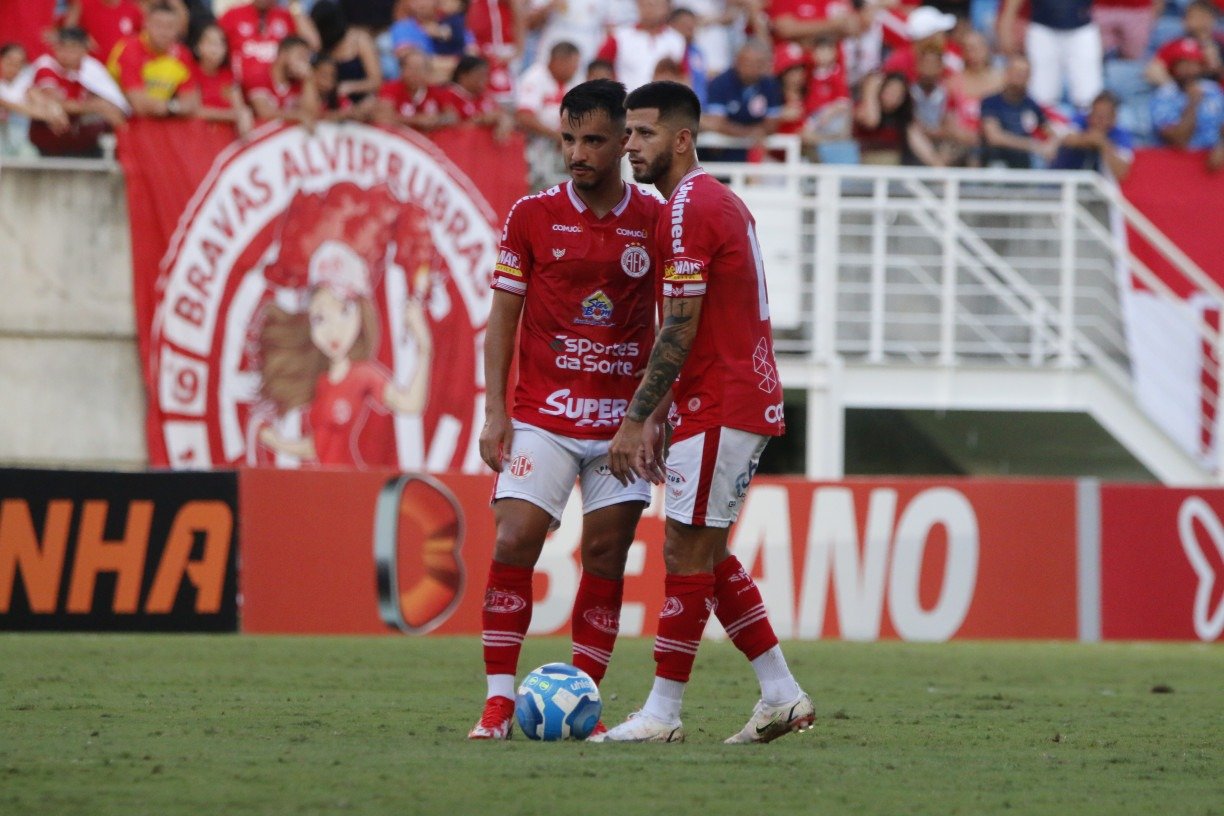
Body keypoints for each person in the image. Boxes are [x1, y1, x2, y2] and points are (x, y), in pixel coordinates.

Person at [598, 80, 812, 745]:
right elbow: (688, 320)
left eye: (644, 133)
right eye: (628, 133)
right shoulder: (699, 204)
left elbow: (680, 326)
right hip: (720, 396)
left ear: (682, 139)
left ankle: (662, 713)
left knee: (688, 553)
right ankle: (781, 694)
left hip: (723, 397)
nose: (630, 145)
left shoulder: (691, 208)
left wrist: (637, 418)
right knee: (704, 549)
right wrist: (664, 410)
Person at [468, 79, 663, 740]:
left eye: (594, 140)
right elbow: (502, 320)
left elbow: (676, 322)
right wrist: (495, 412)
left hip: (621, 422)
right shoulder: (530, 215)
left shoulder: (657, 218)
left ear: (622, 142)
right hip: (543, 415)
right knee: (515, 536)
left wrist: (655, 413)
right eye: (569, 139)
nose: (578, 153)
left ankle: (583, 698)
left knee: (606, 555)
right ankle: (498, 702)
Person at [29, 26, 127, 157]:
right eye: (62, 47)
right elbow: (53, 100)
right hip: (51, 145)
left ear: (84, 50)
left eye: (73, 48)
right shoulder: (47, 65)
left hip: (86, 143)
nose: (66, 53)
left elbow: (117, 105)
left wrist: (102, 108)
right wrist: (94, 106)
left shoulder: (92, 69)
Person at [998, 0, 1103, 110]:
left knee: (1088, 94)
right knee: (1041, 94)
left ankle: (1089, 125)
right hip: (1043, 30)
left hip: (1081, 29)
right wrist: (1006, 27)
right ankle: (1042, 124)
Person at [107, 2, 201, 118]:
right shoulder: (128, 49)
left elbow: (192, 103)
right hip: (120, 118)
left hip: (159, 120)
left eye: (170, 26)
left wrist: (168, 107)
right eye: (158, 25)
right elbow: (139, 105)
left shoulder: (182, 55)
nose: (164, 32)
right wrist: (175, 107)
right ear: (146, 24)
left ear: (178, 30)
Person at [1150, 38, 1224, 169]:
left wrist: (1221, 146)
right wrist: (1192, 103)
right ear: (1173, 68)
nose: (1189, 70)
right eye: (1183, 64)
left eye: (1194, 64)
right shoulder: (1164, 96)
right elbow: (1179, 140)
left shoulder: (1213, 91)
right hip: (1177, 166)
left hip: (1213, 166)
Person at [702, 40, 783, 160]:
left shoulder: (770, 85)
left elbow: (772, 124)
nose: (752, 67)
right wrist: (749, 133)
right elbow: (716, 123)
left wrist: (755, 132)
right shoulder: (720, 83)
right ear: (737, 60)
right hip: (720, 154)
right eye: (747, 62)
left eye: (758, 63)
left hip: (754, 154)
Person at [219, 0, 320, 90]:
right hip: (240, 90)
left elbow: (314, 45)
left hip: (277, 92)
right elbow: (212, 44)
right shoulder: (233, 14)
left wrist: (295, 9)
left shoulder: (286, 15)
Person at [979, 54, 1058, 169]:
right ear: (1006, 73)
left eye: (1024, 74)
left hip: (1024, 163)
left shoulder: (1031, 105)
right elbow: (994, 137)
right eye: (1016, 72)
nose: (1019, 77)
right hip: (997, 160)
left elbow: (1050, 131)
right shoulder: (991, 102)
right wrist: (1032, 145)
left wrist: (1052, 144)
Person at [596, 0, 688, 92]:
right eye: (645, 3)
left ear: (667, 7)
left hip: (664, 102)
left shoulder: (677, 40)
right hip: (626, 102)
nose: (649, 8)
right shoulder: (619, 37)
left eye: (654, 4)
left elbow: (684, 77)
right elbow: (599, 71)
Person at [189, 21, 255, 135]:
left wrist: (243, 115)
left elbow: (239, 107)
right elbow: (194, 110)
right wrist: (231, 116)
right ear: (197, 47)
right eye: (210, 42)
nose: (215, 49)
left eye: (220, 44)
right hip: (197, 136)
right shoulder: (190, 71)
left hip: (225, 141)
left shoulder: (229, 75)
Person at [1051, 90, 1134, 180]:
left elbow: (1121, 173)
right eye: (1094, 114)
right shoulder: (1080, 120)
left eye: (1102, 117)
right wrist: (1090, 140)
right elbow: (1067, 139)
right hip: (1066, 177)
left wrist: (1103, 144)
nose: (1096, 120)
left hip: (1100, 186)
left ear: (1113, 118)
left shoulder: (1121, 135)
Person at [310, 0, 382, 105]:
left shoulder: (359, 40)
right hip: (331, 106)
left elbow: (376, 81)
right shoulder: (321, 46)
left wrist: (351, 87)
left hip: (362, 103)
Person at [244, 34, 321, 123]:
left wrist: (308, 81)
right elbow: (264, 112)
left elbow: (311, 114)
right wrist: (298, 116)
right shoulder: (258, 75)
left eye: (306, 59)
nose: (304, 63)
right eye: (300, 56)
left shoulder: (299, 81)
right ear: (283, 54)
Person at [375, 47, 452, 131]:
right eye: (411, 68)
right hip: (400, 140)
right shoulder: (390, 88)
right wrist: (417, 120)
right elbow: (382, 117)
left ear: (428, 72)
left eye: (420, 69)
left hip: (431, 140)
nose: (415, 73)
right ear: (402, 70)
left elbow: (452, 117)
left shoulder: (435, 90)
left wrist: (438, 120)